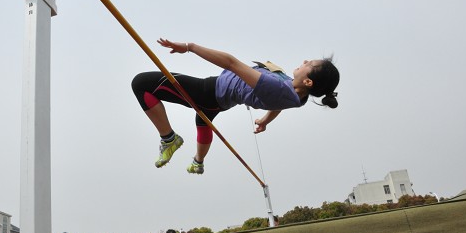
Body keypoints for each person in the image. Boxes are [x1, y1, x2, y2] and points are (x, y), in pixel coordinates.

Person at [132, 39, 340, 174]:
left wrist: (189, 47)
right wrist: (265, 121)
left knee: (141, 83)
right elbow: (281, 104)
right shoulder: (296, 95)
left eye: (309, 64)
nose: (304, 61)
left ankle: (169, 139)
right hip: (219, 101)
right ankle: (198, 162)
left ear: (309, 82)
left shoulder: (277, 88)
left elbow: (231, 63)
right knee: (202, 119)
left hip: (209, 91)